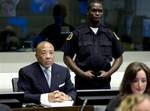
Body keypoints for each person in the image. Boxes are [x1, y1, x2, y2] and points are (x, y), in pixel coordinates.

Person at [62, 0, 124, 89]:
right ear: (87, 12)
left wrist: (108, 73)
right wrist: (81, 73)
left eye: (100, 11)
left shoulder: (109, 33)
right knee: (83, 103)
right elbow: (67, 57)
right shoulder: (77, 33)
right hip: (82, 82)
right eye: (94, 10)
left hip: (104, 82)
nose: (97, 13)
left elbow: (119, 57)